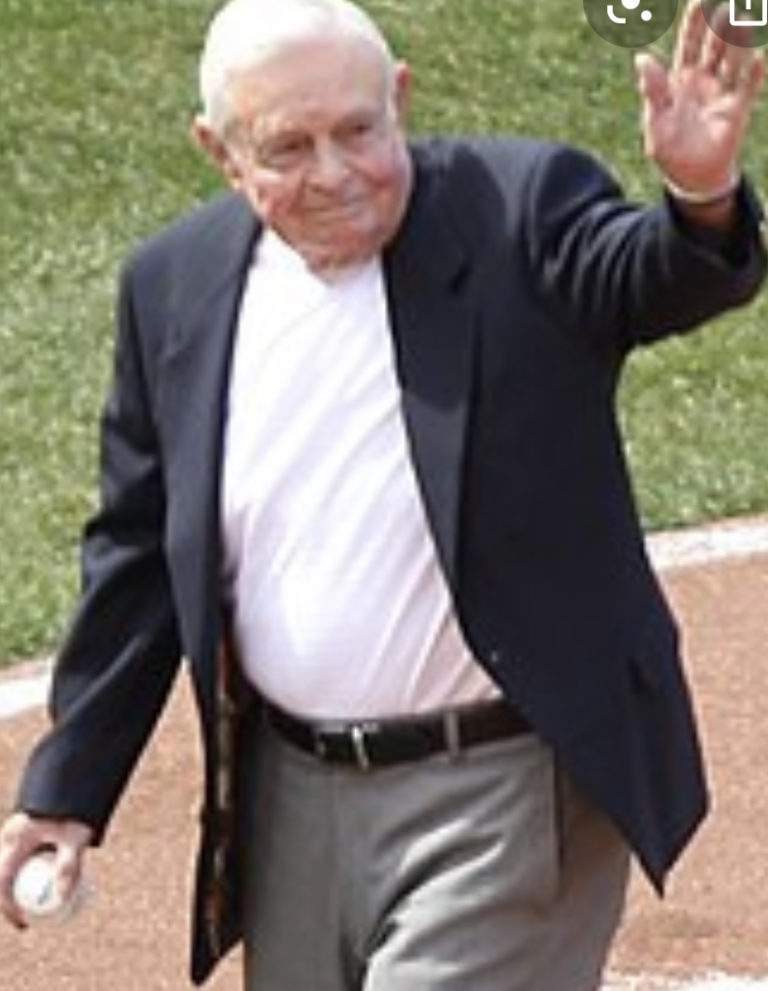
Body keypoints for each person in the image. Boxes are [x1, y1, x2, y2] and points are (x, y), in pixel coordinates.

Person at [0, 0, 765, 988]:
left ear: (400, 96)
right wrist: (67, 789)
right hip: (289, 804)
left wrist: (698, 199)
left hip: (505, 787)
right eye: (289, 145)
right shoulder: (175, 286)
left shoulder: (518, 209)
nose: (335, 172)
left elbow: (650, 277)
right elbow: (142, 552)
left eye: (359, 130)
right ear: (220, 152)